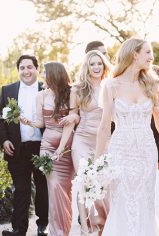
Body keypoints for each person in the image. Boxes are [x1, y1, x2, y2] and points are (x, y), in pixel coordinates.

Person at [95, 38, 159, 236]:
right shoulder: (111, 85)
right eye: (148, 52)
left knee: (145, 200)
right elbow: (105, 126)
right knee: (122, 200)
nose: (152, 57)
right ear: (134, 54)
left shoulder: (152, 83)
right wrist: (98, 162)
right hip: (121, 150)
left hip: (146, 150)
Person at [59, 50, 112, 234]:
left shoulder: (111, 86)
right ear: (87, 67)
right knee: (84, 182)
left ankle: (103, 225)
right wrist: (72, 117)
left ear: (104, 65)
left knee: (103, 183)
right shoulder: (78, 89)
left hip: (104, 141)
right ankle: (84, 227)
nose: (96, 67)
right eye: (92, 64)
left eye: (99, 63)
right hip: (82, 140)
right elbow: (74, 113)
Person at [0, 55, 49, 236]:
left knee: (42, 187)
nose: (26, 71)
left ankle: (43, 226)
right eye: (22, 68)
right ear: (18, 70)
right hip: (17, 148)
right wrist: (4, 141)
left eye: (29, 67)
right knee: (21, 189)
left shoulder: (47, 88)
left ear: (37, 69)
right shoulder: (7, 90)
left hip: (42, 146)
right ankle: (19, 229)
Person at [21, 62, 74, 236]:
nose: (42, 75)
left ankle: (64, 228)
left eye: (45, 72)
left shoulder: (71, 92)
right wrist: (27, 121)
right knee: (53, 187)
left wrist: (61, 148)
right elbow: (41, 123)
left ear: (55, 73)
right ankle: (56, 231)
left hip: (66, 147)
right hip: (47, 146)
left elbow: (70, 124)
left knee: (64, 188)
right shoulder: (41, 96)